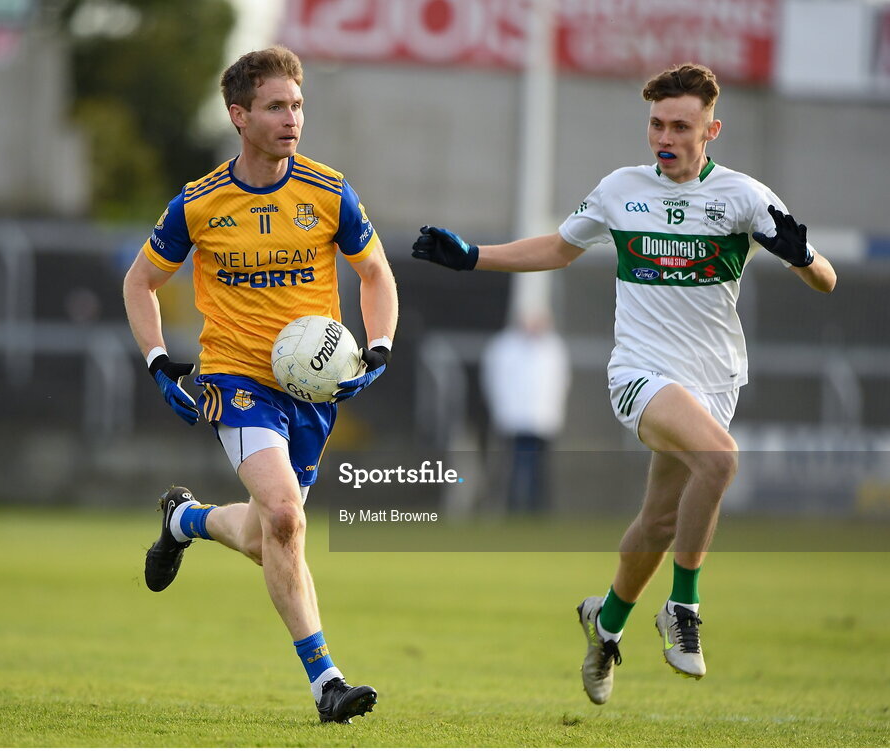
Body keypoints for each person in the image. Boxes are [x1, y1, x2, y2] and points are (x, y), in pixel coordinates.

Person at [411, 62, 836, 705]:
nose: (665, 136)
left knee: (659, 522)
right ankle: (683, 610)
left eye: (680, 125)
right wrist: (475, 257)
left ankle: (605, 624)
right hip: (639, 373)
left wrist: (804, 259)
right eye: (656, 123)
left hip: (714, 381)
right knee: (720, 461)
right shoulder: (620, 189)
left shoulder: (745, 197)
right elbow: (558, 248)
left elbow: (825, 279)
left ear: (710, 129)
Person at [123, 46, 398, 724]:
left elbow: (375, 275)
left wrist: (380, 347)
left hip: (311, 392)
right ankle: (326, 682)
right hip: (234, 378)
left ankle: (184, 520)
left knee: (269, 532)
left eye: (297, 105)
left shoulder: (329, 191)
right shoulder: (199, 202)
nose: (291, 118)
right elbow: (140, 282)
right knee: (282, 514)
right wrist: (160, 360)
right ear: (238, 115)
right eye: (276, 106)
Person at [480, 310, 570, 514]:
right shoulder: (504, 346)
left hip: (543, 420)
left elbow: (560, 383)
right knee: (514, 467)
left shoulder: (553, 348)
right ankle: (513, 508)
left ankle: (538, 510)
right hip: (513, 419)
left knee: (540, 469)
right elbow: (494, 382)